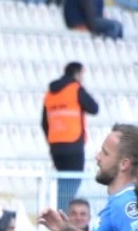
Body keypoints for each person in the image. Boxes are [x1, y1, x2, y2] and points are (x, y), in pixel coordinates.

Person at [42, 61, 99, 207]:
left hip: (55, 145)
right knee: (73, 181)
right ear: (77, 74)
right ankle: (60, 213)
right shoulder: (76, 89)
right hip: (73, 143)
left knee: (62, 182)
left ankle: (59, 210)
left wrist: (52, 139)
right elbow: (94, 108)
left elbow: (44, 122)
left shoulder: (49, 94)